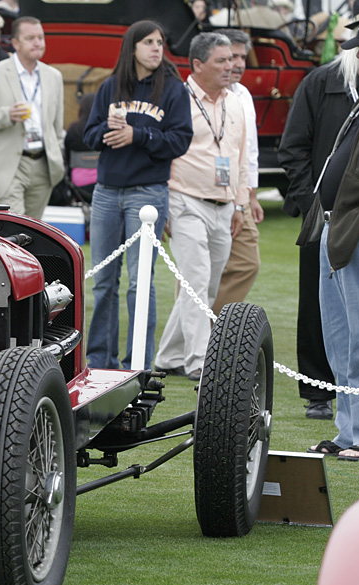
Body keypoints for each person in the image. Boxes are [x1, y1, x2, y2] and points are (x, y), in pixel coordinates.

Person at [82, 19, 193, 371]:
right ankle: (100, 360)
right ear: (132, 48)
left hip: (148, 193)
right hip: (106, 192)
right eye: (148, 42)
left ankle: (139, 362)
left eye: (160, 42)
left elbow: (180, 141)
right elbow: (88, 136)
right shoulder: (111, 86)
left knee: (140, 282)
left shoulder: (173, 90)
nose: (156, 48)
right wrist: (108, 132)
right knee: (104, 282)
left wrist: (137, 136)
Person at [279, 48, 359, 423]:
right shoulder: (323, 81)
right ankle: (336, 414)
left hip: (358, 227)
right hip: (325, 220)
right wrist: (311, 204)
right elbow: (293, 147)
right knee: (330, 323)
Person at [155, 32, 249, 382]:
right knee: (195, 279)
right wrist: (162, 202)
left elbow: (238, 157)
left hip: (223, 205)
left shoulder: (235, 101)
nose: (232, 66)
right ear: (197, 65)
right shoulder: (177, 98)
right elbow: (165, 152)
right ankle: (200, 361)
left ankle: (167, 356)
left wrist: (239, 205)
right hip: (184, 199)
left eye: (232, 59)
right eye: (222, 61)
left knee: (206, 287)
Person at [0, 16, 64, 219]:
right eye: (30, 38)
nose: (38, 43)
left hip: (43, 164)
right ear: (15, 43)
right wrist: (6, 115)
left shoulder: (54, 76)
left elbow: (57, 126)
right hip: (7, 165)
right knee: (17, 226)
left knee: (35, 230)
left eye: (41, 37)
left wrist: (58, 150)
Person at [212, 29, 263, 314]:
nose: (239, 63)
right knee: (202, 274)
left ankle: (215, 327)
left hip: (239, 196)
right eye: (233, 56)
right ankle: (195, 341)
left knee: (247, 263)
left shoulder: (243, 94)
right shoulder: (193, 93)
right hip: (203, 195)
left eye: (243, 56)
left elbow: (250, 152)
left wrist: (251, 197)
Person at [64, 92, 97, 202]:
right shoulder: (102, 130)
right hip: (101, 182)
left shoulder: (73, 129)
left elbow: (67, 156)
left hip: (77, 184)